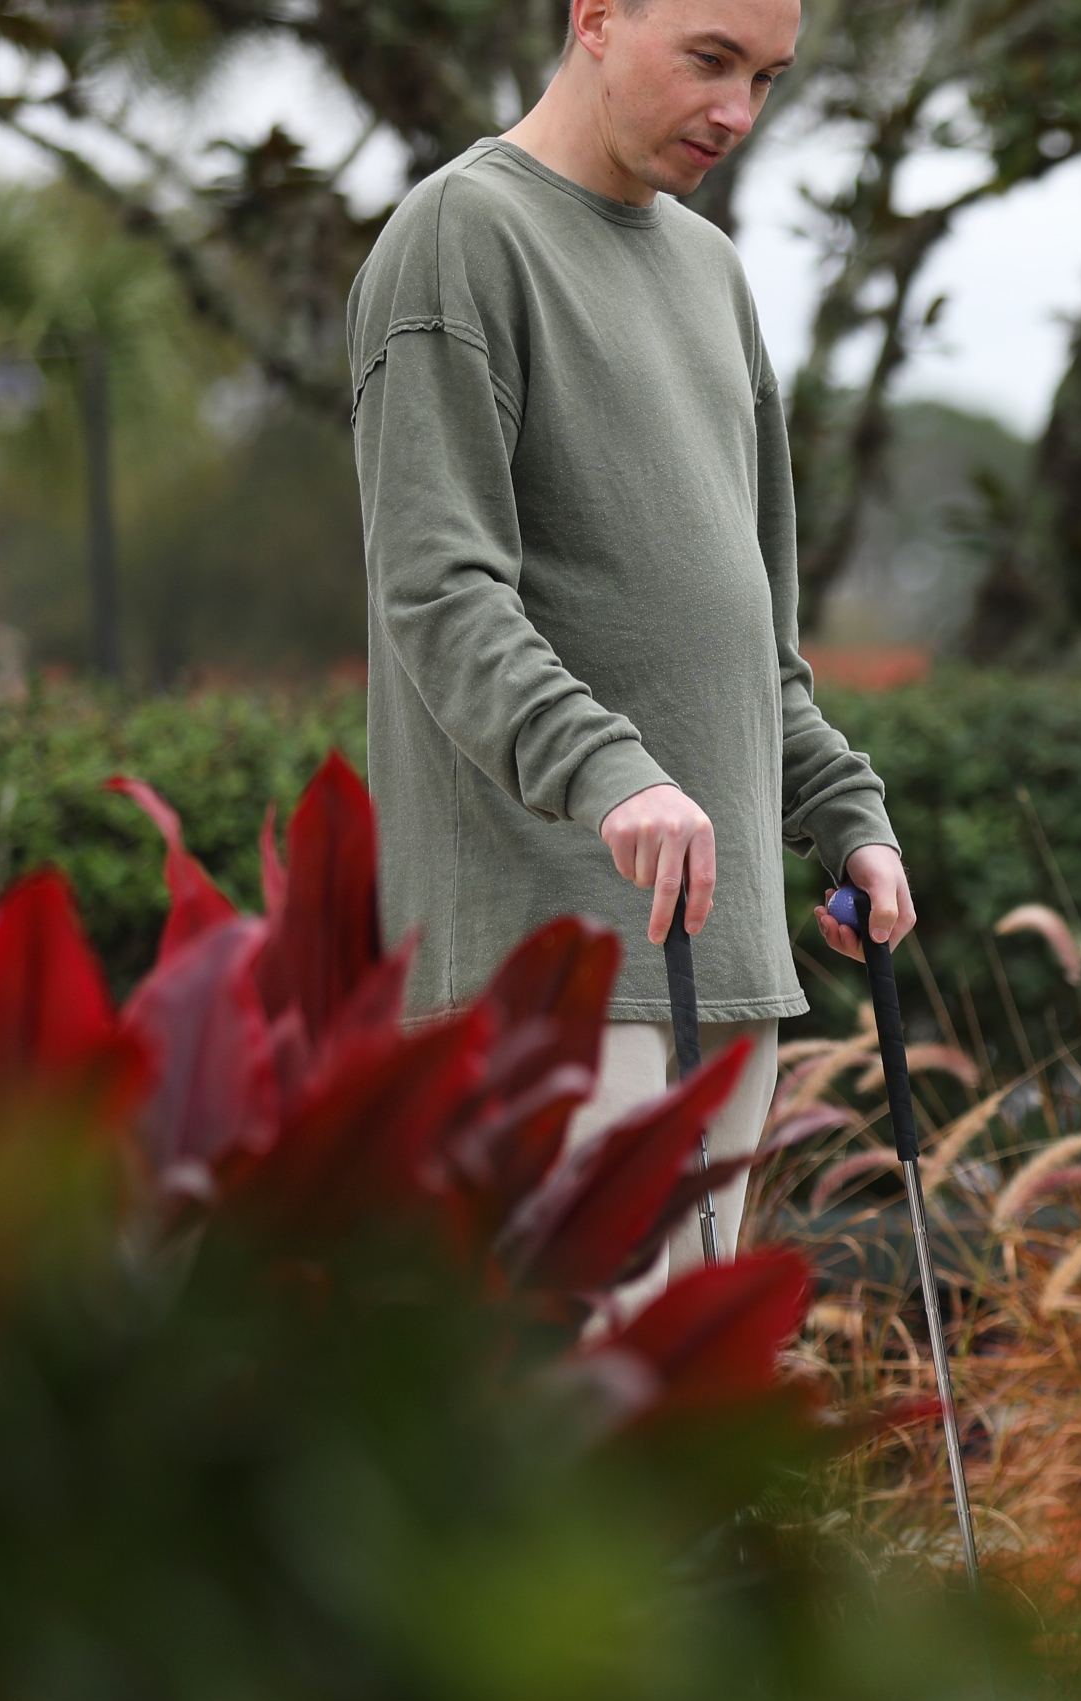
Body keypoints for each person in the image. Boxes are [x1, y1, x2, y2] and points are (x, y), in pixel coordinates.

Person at [349, 0, 919, 1312]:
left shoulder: (714, 274)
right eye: (711, 61)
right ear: (595, 17)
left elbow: (752, 645)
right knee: (577, 1436)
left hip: (725, 966)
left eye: (768, 78)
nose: (739, 112)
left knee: (686, 1445)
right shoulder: (458, 238)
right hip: (547, 957)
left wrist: (846, 817)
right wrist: (613, 773)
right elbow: (437, 594)